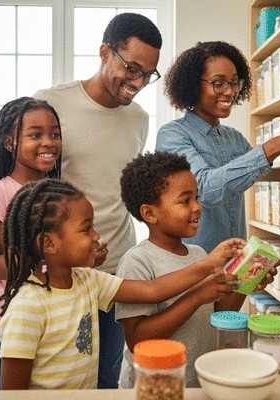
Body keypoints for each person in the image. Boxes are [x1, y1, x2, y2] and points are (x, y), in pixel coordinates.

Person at [0, 178, 243, 390]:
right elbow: (13, 393)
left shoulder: (88, 280)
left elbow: (152, 289)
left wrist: (208, 266)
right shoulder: (27, 307)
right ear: (49, 243)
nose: (96, 235)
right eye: (86, 229)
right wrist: (207, 266)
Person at [33, 13, 163, 388]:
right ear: (105, 51)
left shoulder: (139, 118)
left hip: (117, 266)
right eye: (132, 69)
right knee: (61, 378)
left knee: (108, 376)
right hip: (62, 270)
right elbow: (34, 190)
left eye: (147, 75)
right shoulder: (51, 102)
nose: (138, 83)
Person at [115, 151, 279, 387]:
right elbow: (137, 340)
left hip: (197, 381)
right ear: (150, 213)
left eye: (197, 198)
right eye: (185, 201)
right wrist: (198, 295)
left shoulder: (199, 255)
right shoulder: (137, 263)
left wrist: (248, 279)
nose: (197, 207)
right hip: (156, 387)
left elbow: (219, 310)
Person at [156, 41, 280, 253]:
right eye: (218, 83)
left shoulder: (234, 138)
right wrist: (275, 145)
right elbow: (204, 190)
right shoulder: (172, 135)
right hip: (193, 268)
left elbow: (256, 173)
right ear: (193, 85)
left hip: (235, 263)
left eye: (234, 83)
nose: (230, 92)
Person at [0, 97, 62, 390]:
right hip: (10, 323)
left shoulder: (61, 192)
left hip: (57, 320)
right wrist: (47, 258)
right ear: (9, 142)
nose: (48, 142)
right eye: (35, 135)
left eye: (55, 134)